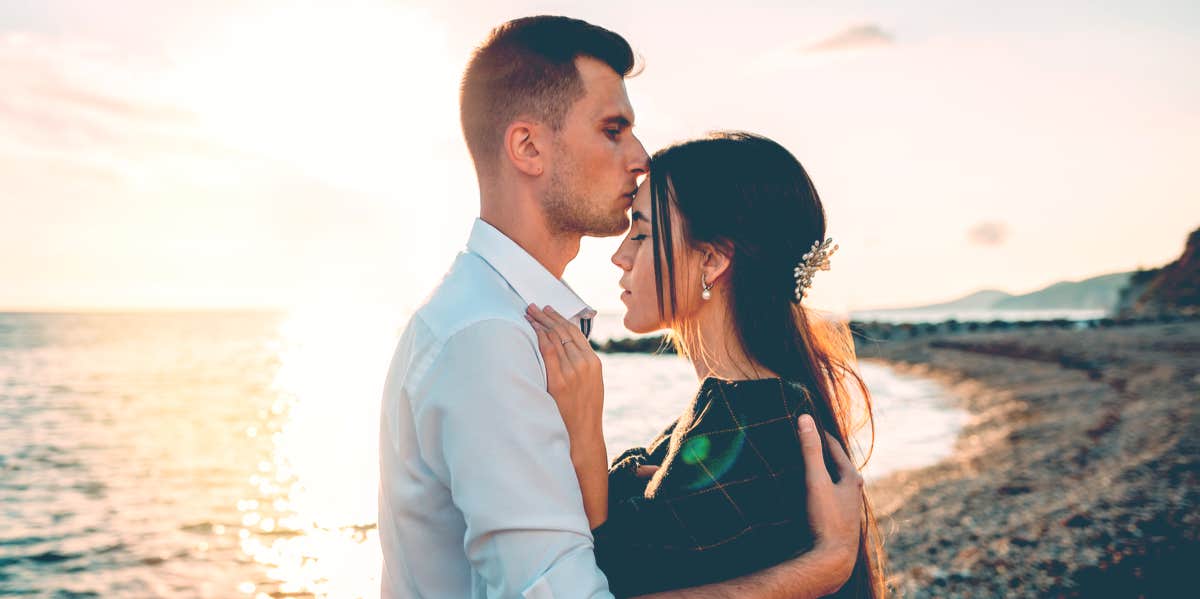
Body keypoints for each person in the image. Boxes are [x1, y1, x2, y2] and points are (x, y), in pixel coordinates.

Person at [378, 16, 864, 598]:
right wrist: (821, 567)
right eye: (613, 129)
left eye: (645, 232)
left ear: (714, 261)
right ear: (528, 147)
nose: (638, 157)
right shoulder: (487, 338)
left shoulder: (504, 325)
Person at [525, 132, 886, 598]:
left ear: (711, 260)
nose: (620, 256)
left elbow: (604, 577)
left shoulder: (756, 417)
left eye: (642, 232)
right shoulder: (743, 408)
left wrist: (583, 422)